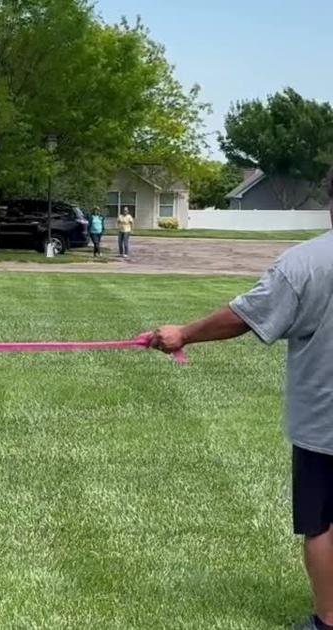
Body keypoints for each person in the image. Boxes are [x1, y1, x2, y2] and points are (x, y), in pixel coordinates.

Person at [146, 168, 333, 630]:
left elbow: (244, 316)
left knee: (323, 524)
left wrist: (182, 334)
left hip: (324, 426)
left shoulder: (306, 263)